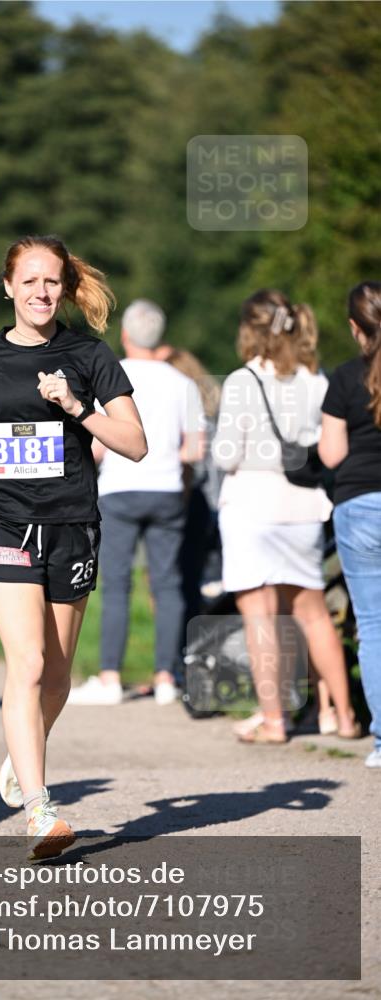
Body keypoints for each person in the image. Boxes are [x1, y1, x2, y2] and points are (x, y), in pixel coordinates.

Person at [0, 235, 147, 859]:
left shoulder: (89, 354)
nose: (40, 292)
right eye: (28, 281)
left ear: (65, 288)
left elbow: (135, 444)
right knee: (27, 664)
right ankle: (39, 808)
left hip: (72, 524)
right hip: (3, 520)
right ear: (8, 287)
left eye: (51, 282)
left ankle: (20, 749)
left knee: (56, 675)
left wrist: (76, 406)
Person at [211, 289, 360, 744]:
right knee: (313, 614)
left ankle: (275, 719)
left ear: (249, 329)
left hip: (251, 509)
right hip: (304, 507)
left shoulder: (242, 381)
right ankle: (346, 716)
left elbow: (225, 454)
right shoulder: (317, 380)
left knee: (260, 617)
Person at [67, 299, 204, 707]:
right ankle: (166, 676)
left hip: (120, 489)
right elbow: (195, 449)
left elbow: (98, 447)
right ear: (160, 337)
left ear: (125, 336)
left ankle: (110, 676)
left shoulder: (111, 374)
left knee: (117, 585)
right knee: (167, 584)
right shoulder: (184, 383)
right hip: (166, 491)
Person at [319, 281, 381, 768]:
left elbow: (332, 454)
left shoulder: (343, 379)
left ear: (354, 328)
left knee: (374, 626)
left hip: (359, 506)